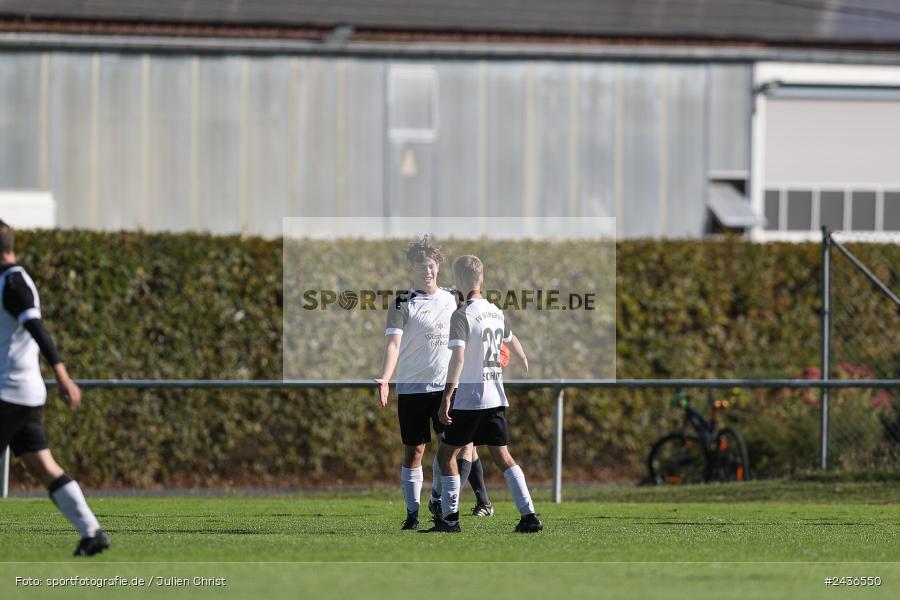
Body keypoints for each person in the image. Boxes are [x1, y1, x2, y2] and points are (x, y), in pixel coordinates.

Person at [0, 220, 110, 556]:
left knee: (43, 465)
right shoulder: (7, 281)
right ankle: (91, 533)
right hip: (22, 394)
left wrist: (63, 376)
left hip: (9, 392)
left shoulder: (14, 283)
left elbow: (37, 329)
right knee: (42, 465)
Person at [422, 255, 542, 533]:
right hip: (496, 397)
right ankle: (529, 515)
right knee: (503, 457)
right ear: (481, 278)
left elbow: (458, 358)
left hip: (470, 399)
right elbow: (511, 339)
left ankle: (450, 520)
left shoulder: (462, 314)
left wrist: (447, 396)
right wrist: (523, 358)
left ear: (459, 280)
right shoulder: (495, 311)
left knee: (446, 456)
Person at [375, 236, 458, 531]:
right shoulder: (402, 302)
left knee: (450, 450)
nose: (427, 271)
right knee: (415, 451)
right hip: (412, 389)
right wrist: (386, 378)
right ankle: (412, 515)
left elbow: (474, 327)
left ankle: (448, 513)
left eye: (431, 265)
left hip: (446, 389)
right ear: (411, 268)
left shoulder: (452, 297)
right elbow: (393, 344)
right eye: (421, 266)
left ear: (438, 267)